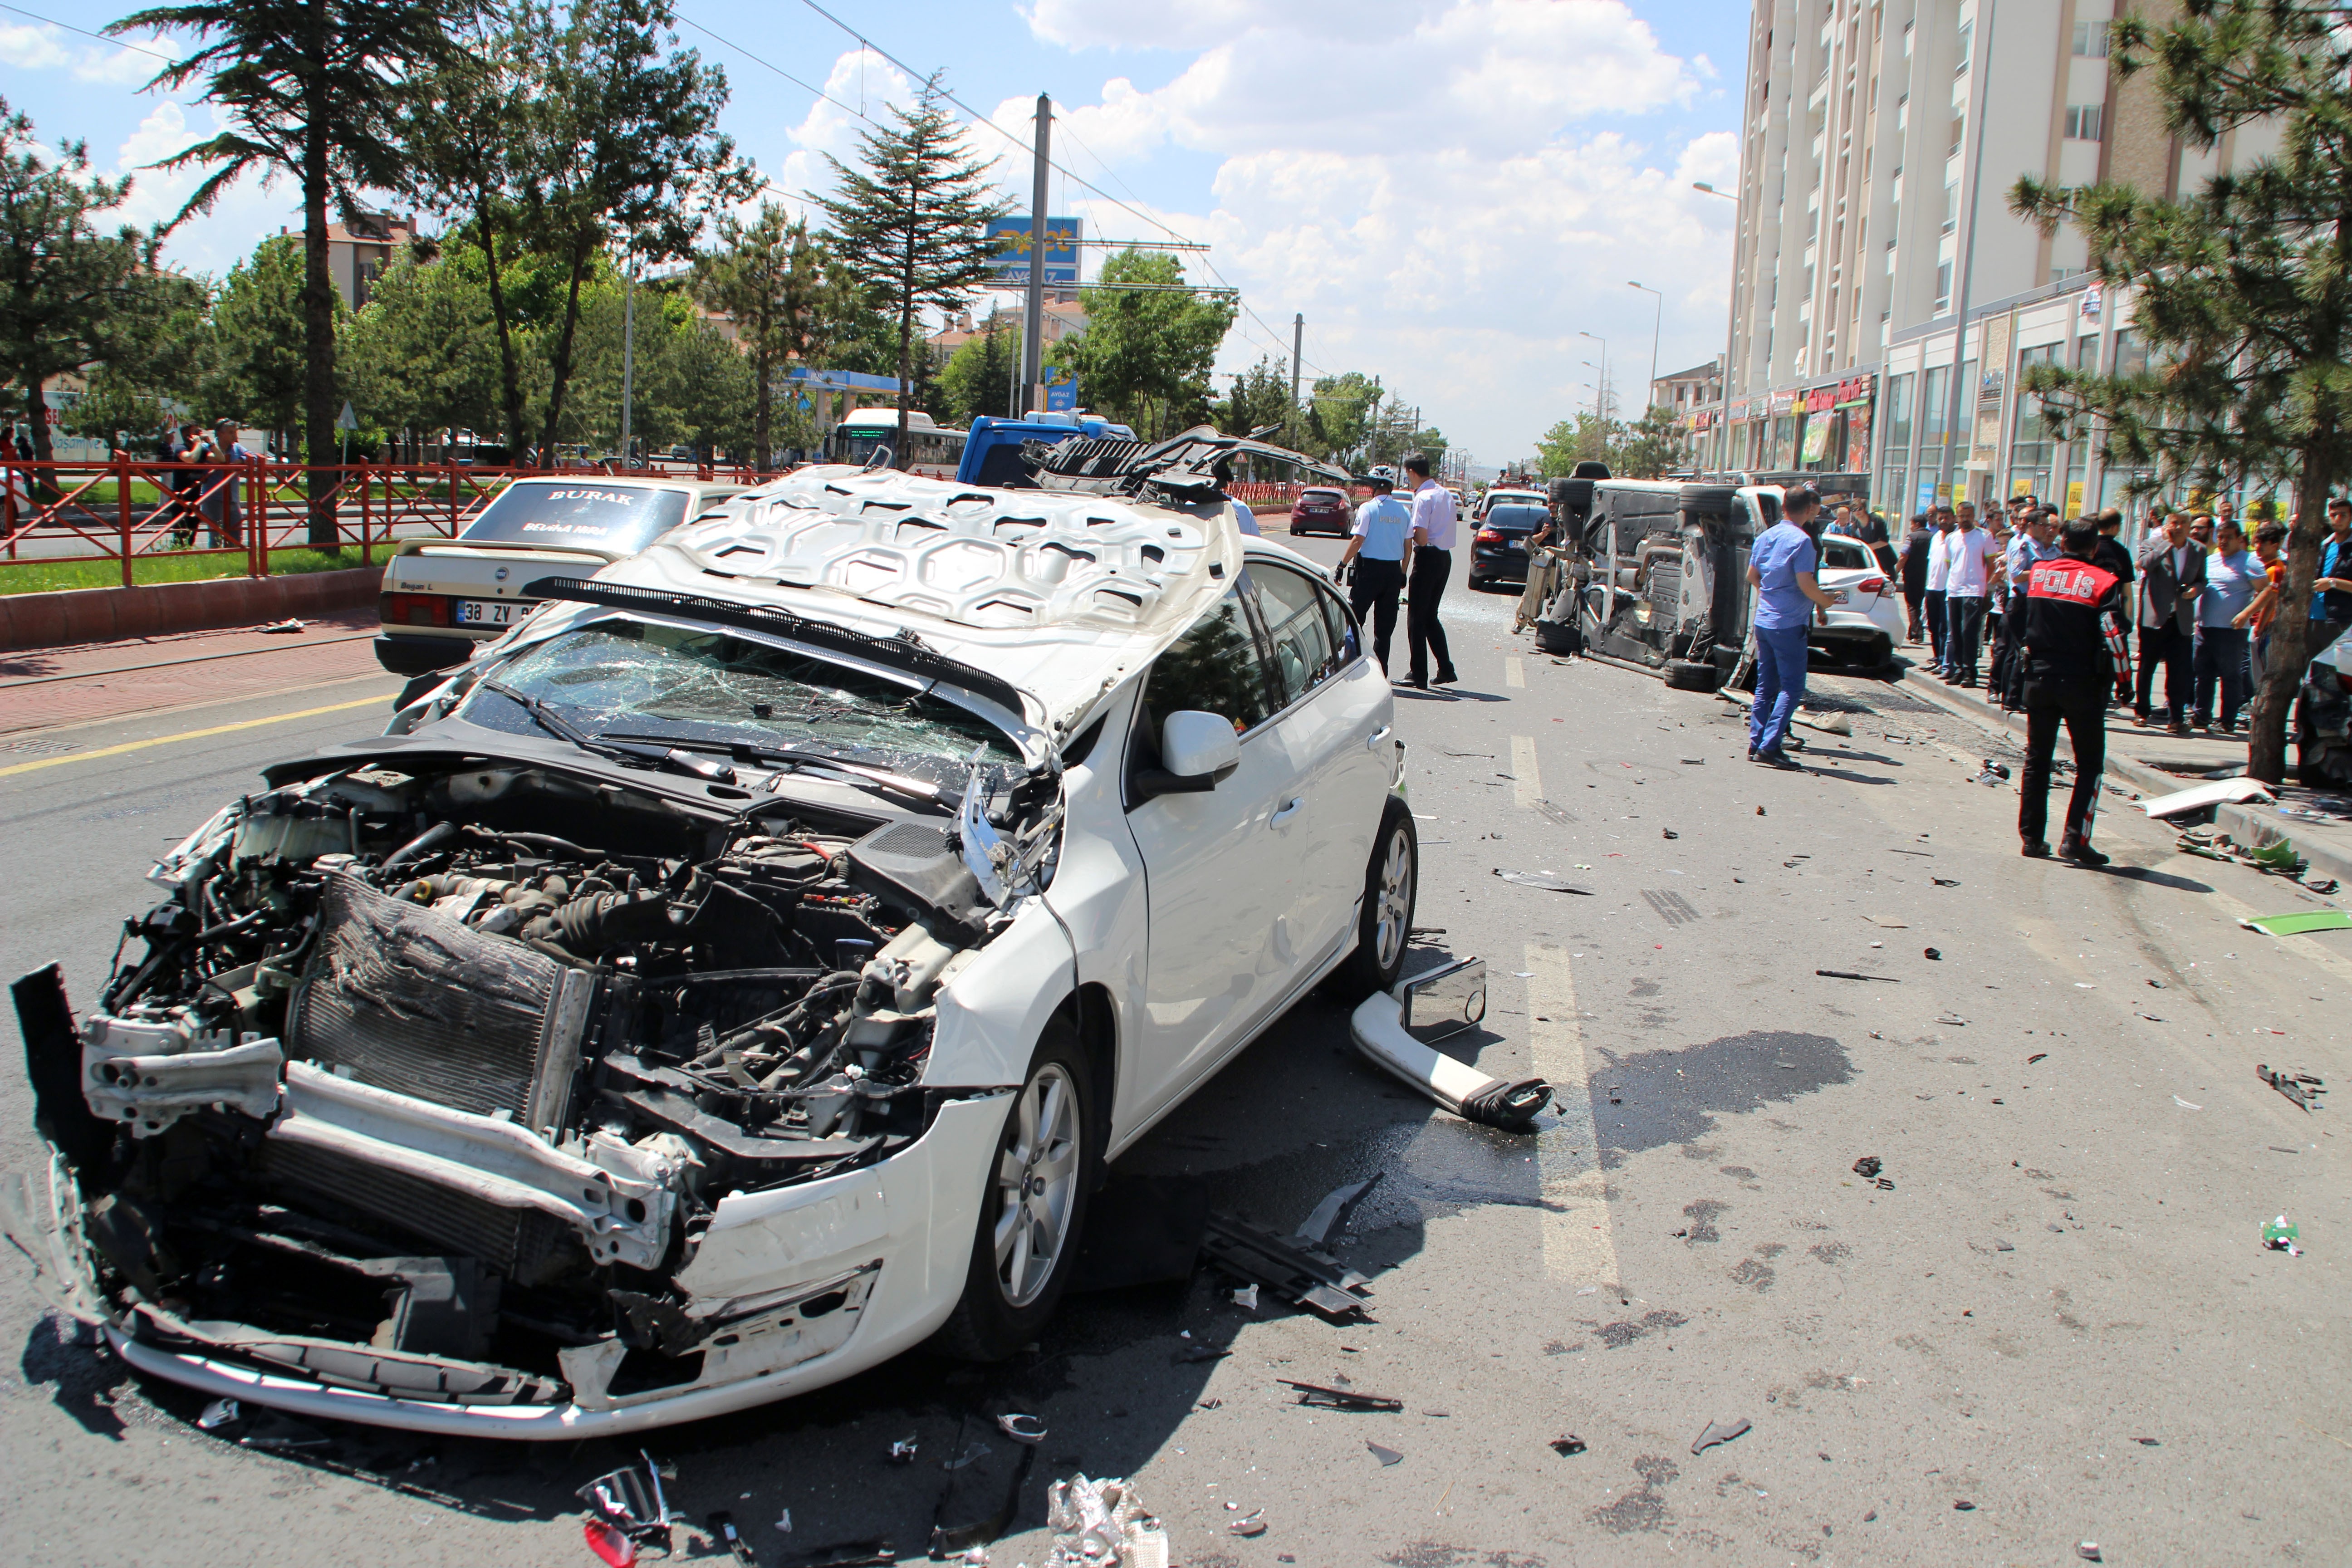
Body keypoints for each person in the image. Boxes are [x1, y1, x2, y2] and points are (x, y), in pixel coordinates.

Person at [2018, 516, 2127, 865]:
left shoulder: (2038, 574)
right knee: (2090, 764)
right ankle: (2075, 839)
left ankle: (2032, 838)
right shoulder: (2104, 581)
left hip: (2039, 679)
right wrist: (2125, 683)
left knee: (2038, 759)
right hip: (2083, 683)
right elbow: (2113, 632)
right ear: (2095, 548)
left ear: (2062, 542)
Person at [1745, 485, 1836, 769]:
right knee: (1793, 687)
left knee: (1765, 686)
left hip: (1765, 620)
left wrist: (1771, 595)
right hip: (1789, 623)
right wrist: (1826, 602)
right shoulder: (1803, 541)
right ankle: (1770, 745)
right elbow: (1806, 583)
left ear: (1784, 506)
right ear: (1809, 508)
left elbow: (1752, 575)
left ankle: (1756, 741)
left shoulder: (1766, 536)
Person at [2135, 510, 2205, 734]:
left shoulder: (2198, 550)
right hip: (2155, 615)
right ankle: (2142, 712)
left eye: (2184, 523)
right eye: (2175, 523)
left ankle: (2176, 717)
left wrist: (2195, 590)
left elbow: (2203, 580)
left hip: (2181, 618)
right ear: (2167, 525)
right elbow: (2144, 564)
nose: (2179, 527)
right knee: (2148, 666)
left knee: (2180, 670)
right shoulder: (2152, 544)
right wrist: (2166, 545)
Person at [1337, 475, 1412, 672]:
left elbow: (1357, 540)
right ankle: (1381, 671)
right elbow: (1408, 546)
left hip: (1369, 572)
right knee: (1384, 630)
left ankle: (1351, 665)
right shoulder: (1404, 511)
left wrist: (1342, 565)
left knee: (1355, 620)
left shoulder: (1368, 508)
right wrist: (1403, 572)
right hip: (1393, 572)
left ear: (1374, 489)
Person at [2194, 517, 2260, 733]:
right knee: (2203, 674)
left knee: (2230, 676)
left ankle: (2227, 720)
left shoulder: (2249, 560)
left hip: (2232, 630)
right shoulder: (2212, 559)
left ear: (2240, 539)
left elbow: (2268, 590)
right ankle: (2201, 715)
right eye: (2220, 537)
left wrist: (2246, 614)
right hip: (2205, 627)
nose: (2223, 542)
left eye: (2228, 538)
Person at [1400, 451, 1459, 689]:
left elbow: (1421, 537)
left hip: (1427, 557)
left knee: (1416, 617)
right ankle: (1446, 668)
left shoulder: (1423, 498)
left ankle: (1418, 673)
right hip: (1444, 558)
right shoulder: (1446, 494)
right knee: (1430, 616)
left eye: (1408, 475)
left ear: (1413, 473)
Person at [1940, 501, 2003, 687]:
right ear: (1957, 517)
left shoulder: (1984, 537)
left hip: (1975, 590)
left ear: (1974, 516)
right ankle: (1959, 668)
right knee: (1957, 631)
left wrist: (1987, 588)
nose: (1965, 519)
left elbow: (1991, 565)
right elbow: (1949, 564)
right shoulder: (1951, 538)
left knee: (1970, 631)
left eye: (1968, 516)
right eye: (1962, 516)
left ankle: (1970, 671)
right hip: (1955, 590)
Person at [2237, 519, 2288, 695]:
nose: (2258, 547)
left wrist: (2260, 626)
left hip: (2263, 625)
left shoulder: (2276, 570)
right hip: (2253, 623)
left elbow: (2272, 599)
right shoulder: (2261, 566)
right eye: (2256, 542)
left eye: (2263, 544)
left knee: (2258, 669)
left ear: (2275, 545)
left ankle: (2258, 701)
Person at [197, 419, 249, 548]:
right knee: (216, 535)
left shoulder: (237, 448)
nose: (235, 436)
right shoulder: (207, 448)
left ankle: (233, 557)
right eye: (231, 432)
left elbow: (252, 456)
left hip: (232, 498)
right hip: (214, 498)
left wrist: (240, 461)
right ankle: (216, 558)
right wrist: (225, 465)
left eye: (235, 432)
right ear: (220, 434)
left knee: (236, 533)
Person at [2313, 496, 2352, 656]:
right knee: (2311, 672)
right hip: (2313, 618)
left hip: (2340, 620)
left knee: (2336, 675)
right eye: (2334, 515)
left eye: (2343, 515)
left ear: (2351, 517)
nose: (2338, 519)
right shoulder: (2324, 545)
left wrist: (2333, 583)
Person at [1924, 507, 1957, 670]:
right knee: (1933, 626)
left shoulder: (1957, 537)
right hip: (1932, 587)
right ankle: (1937, 657)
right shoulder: (1936, 536)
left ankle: (1945, 660)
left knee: (1945, 628)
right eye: (1941, 518)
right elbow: (1932, 562)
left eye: (1947, 518)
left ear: (1954, 519)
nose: (1944, 521)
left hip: (1947, 588)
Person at [166, 421, 204, 548]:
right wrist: (198, 443)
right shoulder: (180, 448)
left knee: (192, 534)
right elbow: (190, 459)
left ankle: (188, 553)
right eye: (196, 432)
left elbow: (220, 460)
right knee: (180, 536)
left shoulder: (201, 449)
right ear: (188, 435)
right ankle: (178, 554)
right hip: (180, 499)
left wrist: (211, 444)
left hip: (195, 499)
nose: (200, 434)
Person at [1899, 512, 1933, 643]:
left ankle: (1917, 633)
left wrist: (1896, 570)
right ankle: (1912, 631)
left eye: (1912, 524)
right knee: (1919, 604)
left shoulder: (1911, 538)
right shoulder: (1934, 537)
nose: (1911, 527)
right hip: (1928, 575)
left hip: (1912, 575)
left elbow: (1904, 556)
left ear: (1917, 524)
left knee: (1912, 605)